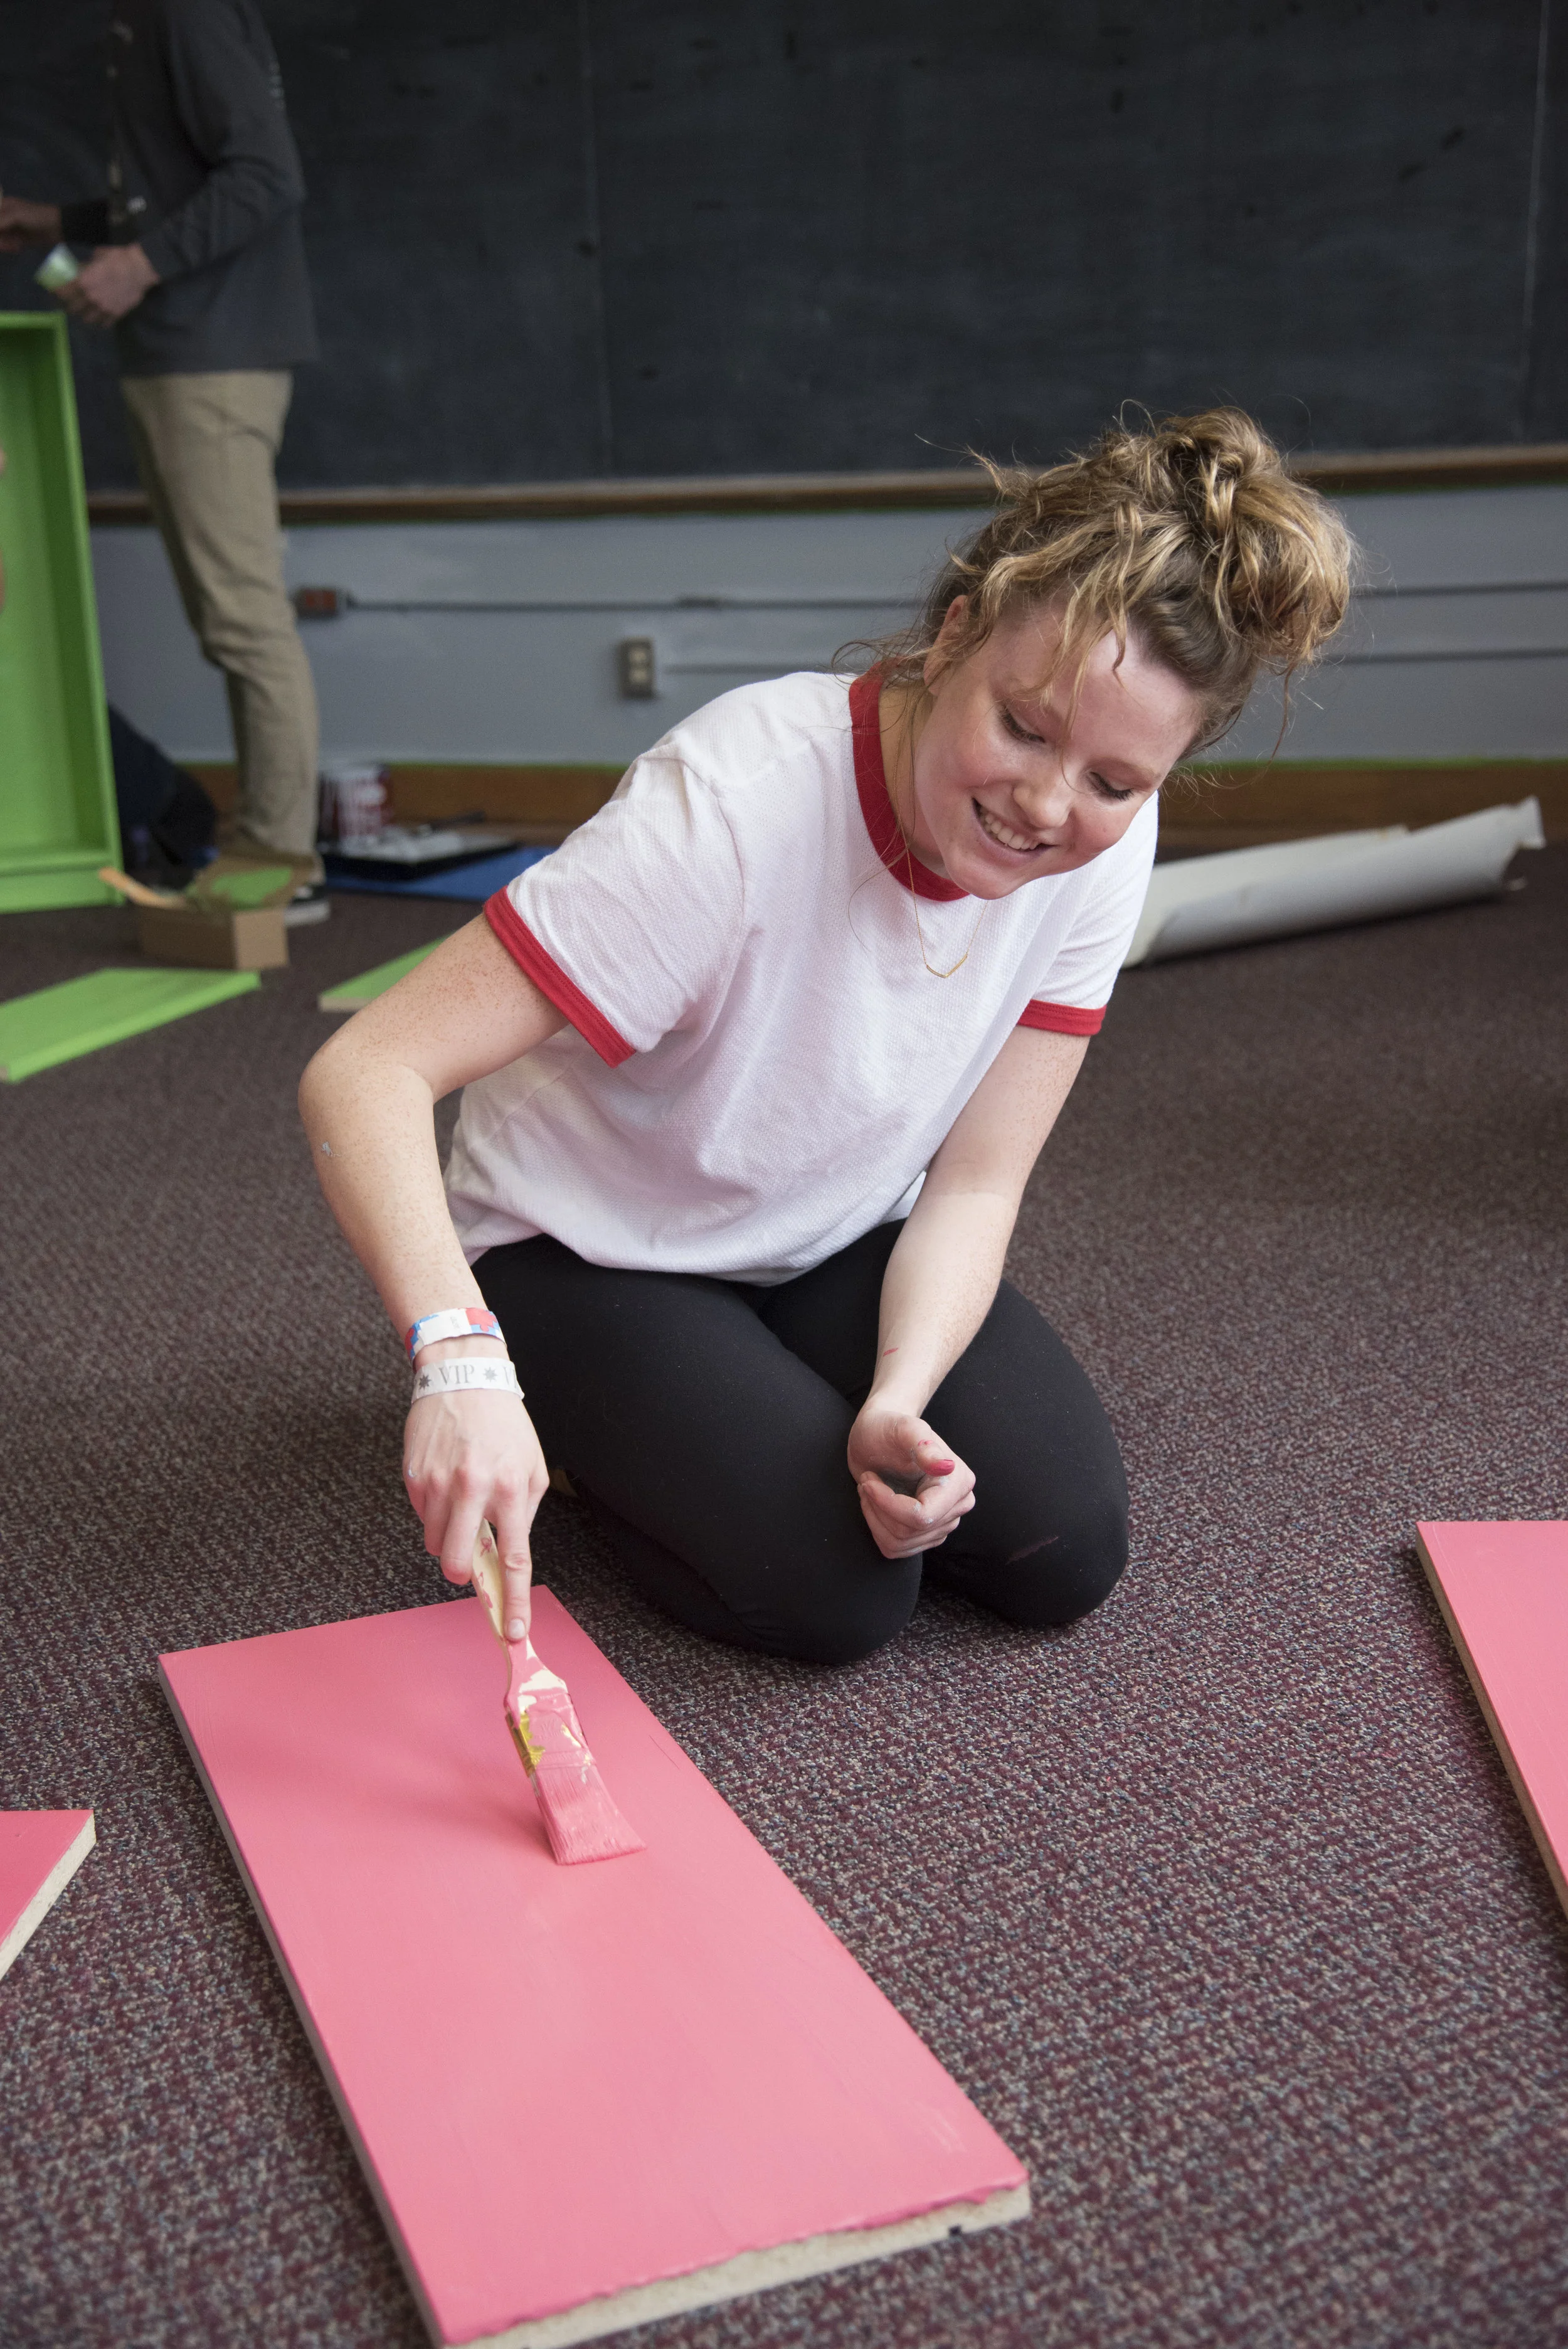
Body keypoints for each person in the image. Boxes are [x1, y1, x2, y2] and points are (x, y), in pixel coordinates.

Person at [299, 411, 1352, 1664]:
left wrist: (895, 1398)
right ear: (951, 634)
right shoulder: (734, 808)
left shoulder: (1104, 846)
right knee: (836, 1595)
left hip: (824, 1228)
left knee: (1053, 1546)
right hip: (583, 1249)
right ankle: (568, 1419)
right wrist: (456, 1360)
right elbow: (364, 1071)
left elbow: (973, 1183)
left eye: (1114, 783)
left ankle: (753, 1396)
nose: (1045, 805)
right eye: (1020, 727)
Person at [0, 0, 327, 921]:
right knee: (230, 615)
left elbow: (267, 174)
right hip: (186, 354)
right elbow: (177, 189)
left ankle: (280, 858)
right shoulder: (143, 21)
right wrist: (59, 219)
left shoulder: (181, 12)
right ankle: (277, 850)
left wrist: (137, 264)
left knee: (242, 619)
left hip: (213, 358)